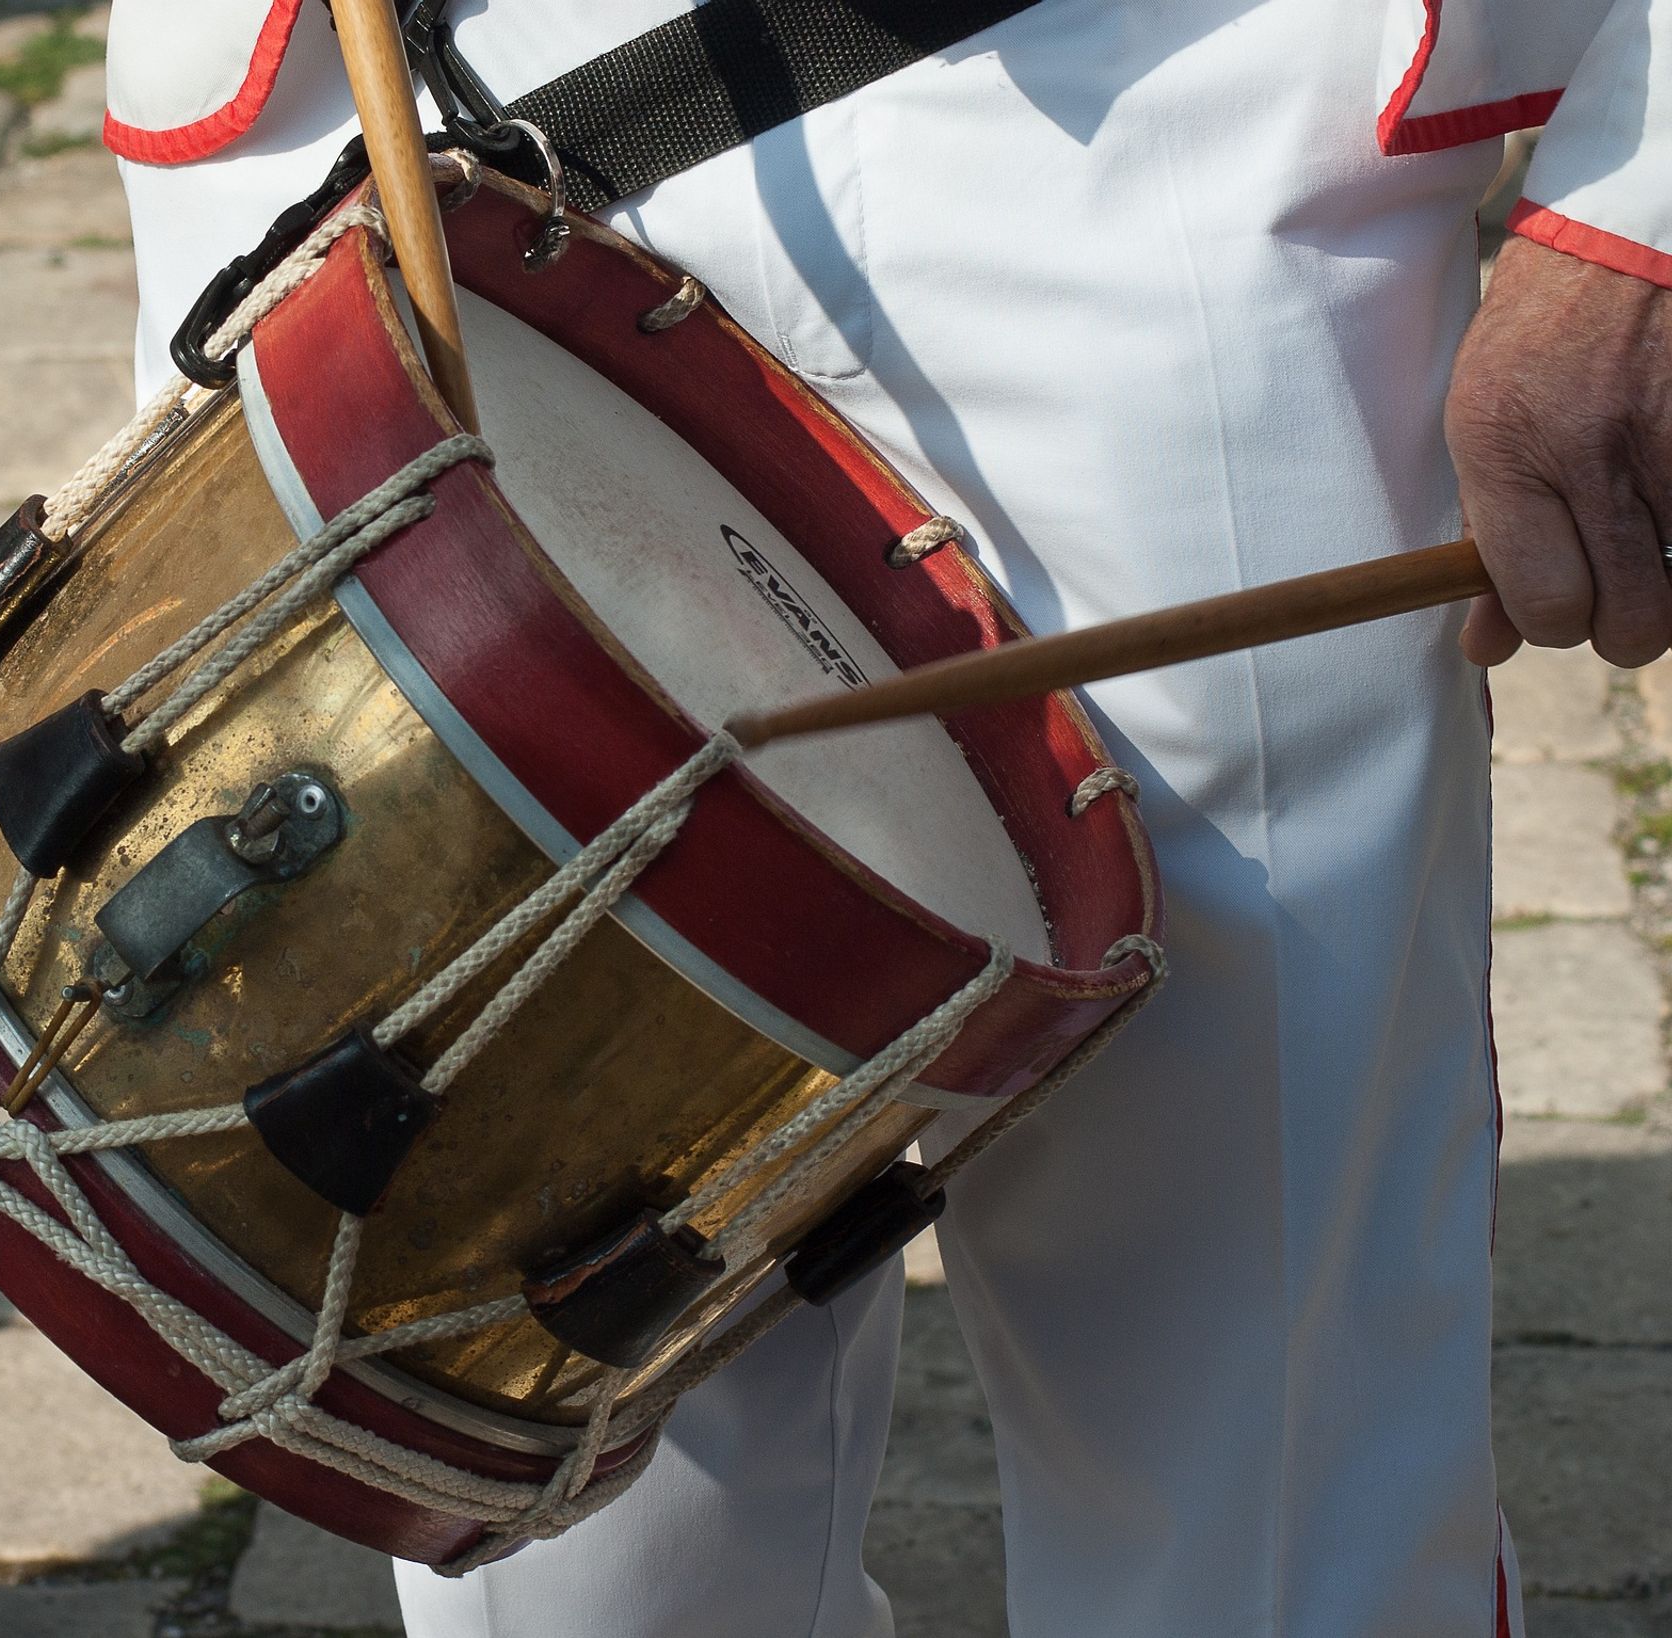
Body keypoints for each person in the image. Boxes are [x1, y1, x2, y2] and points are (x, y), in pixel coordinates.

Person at [100, 3, 1672, 1633]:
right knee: (570, 1513)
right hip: (397, 118)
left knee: (1258, 1470)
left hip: (1171, 120)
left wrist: (1653, 190)